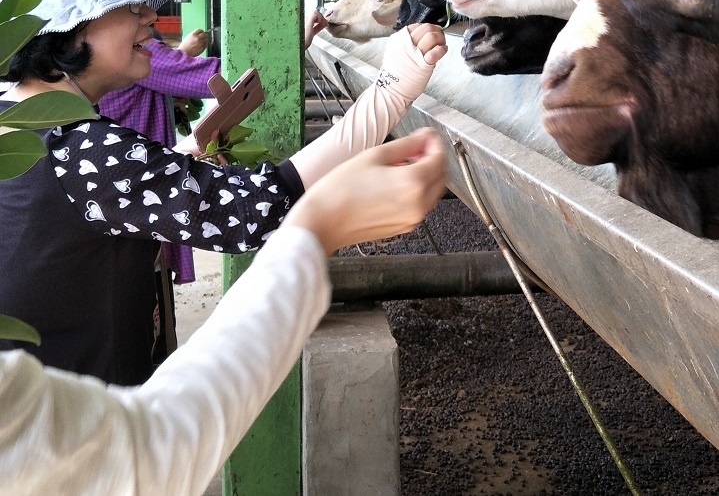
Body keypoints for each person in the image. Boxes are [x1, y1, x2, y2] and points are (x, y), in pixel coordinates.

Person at [0, 0, 447, 385]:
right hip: (85, 435)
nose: (151, 15)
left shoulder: (19, 122)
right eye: (130, 4)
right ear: (70, 26)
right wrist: (390, 93)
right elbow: (256, 208)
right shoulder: (83, 151)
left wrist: (180, 156)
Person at [0, 130, 447, 495]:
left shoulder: (18, 129)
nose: (144, 22)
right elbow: (246, 208)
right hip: (101, 393)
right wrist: (317, 226)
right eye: (125, 12)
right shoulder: (80, 149)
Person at [99, 26, 222, 287]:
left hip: (116, 202)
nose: (149, 15)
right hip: (143, 200)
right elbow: (223, 77)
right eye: (135, 8)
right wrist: (297, 40)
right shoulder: (133, 49)